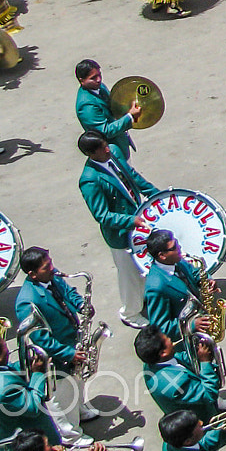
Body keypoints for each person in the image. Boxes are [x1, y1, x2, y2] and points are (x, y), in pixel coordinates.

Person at [14, 247, 100, 437]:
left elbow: (69, 292)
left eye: (50, 262)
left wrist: (80, 304)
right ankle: (70, 434)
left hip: (72, 340)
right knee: (61, 394)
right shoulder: (28, 301)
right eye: (46, 266)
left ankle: (79, 410)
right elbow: (39, 338)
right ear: (32, 274)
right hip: (56, 354)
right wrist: (68, 353)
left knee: (77, 380)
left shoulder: (51, 278)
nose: (52, 268)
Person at [75, 132, 156, 326]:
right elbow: (102, 215)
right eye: (102, 148)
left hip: (139, 222)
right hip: (121, 234)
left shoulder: (115, 154)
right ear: (91, 154)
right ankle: (130, 313)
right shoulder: (90, 180)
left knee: (146, 265)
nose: (108, 149)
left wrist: (158, 197)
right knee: (129, 275)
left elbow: (135, 178)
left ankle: (144, 299)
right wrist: (131, 221)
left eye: (106, 144)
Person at [0, 330, 64, 451]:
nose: (8, 351)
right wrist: (38, 374)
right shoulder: (4, 390)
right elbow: (34, 407)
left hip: (5, 436)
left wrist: (26, 365)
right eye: (5, 348)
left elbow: (6, 371)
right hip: (29, 448)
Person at [136, 324, 220, 421]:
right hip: (200, 419)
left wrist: (196, 353)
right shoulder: (176, 384)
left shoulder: (152, 362)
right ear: (163, 353)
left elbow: (179, 359)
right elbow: (209, 394)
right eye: (167, 338)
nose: (170, 339)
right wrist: (205, 362)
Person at [142, 228, 203, 345]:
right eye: (174, 247)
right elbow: (161, 328)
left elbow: (194, 272)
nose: (179, 247)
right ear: (162, 255)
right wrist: (192, 324)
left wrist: (206, 281)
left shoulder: (176, 260)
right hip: (187, 341)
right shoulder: (156, 287)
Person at [73, 58, 140, 158]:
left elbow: (112, 107)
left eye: (99, 75)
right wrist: (129, 117)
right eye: (93, 78)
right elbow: (105, 131)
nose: (98, 80)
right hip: (110, 153)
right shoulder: (86, 106)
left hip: (121, 143)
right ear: (82, 81)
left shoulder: (99, 87)